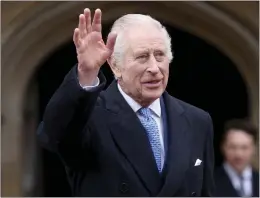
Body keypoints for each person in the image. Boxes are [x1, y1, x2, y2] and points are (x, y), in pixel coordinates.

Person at [37, 8, 215, 196]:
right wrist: (86, 73)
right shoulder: (90, 117)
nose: (154, 68)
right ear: (115, 65)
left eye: (160, 55)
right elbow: (52, 134)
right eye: (142, 57)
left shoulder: (197, 121)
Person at [214, 119, 259, 197]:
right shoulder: (209, 183)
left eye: (244, 147)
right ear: (223, 147)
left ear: (254, 148)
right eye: (232, 147)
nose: (238, 154)